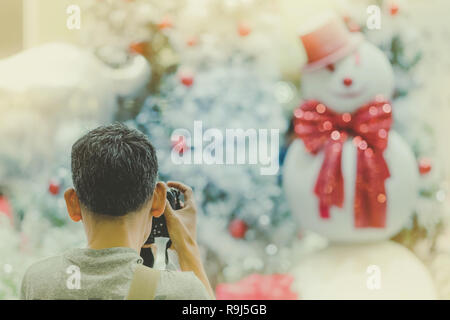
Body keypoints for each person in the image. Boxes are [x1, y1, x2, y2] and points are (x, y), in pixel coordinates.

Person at [20, 123, 214, 300]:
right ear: (158, 199)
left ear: (73, 204)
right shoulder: (181, 292)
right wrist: (188, 246)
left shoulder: (39, 282)